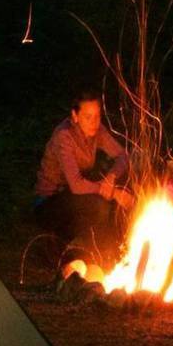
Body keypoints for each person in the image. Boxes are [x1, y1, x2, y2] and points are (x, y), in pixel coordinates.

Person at [34, 90, 134, 258]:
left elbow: (123, 156)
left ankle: (112, 247)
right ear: (75, 115)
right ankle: (59, 245)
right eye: (88, 117)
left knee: (123, 184)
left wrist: (111, 178)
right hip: (50, 201)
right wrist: (113, 192)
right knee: (100, 205)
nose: (94, 122)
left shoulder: (97, 131)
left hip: (75, 195)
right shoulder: (64, 137)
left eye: (97, 116)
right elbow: (76, 184)